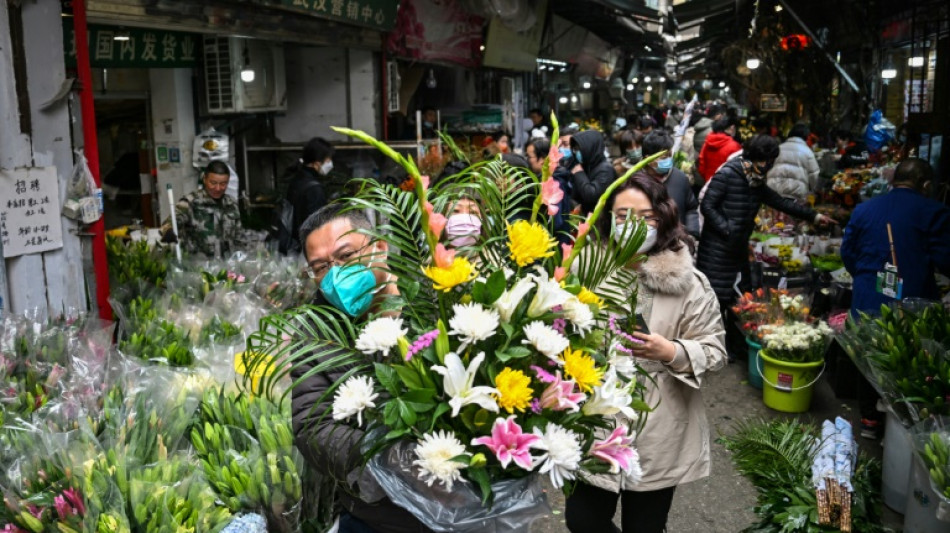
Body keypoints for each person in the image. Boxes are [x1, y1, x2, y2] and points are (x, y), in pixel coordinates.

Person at [565, 174, 726, 533]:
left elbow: (715, 350)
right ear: (609, 219)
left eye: (645, 216)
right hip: (595, 422)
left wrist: (671, 350)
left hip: (660, 427)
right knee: (582, 520)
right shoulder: (584, 270)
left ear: (663, 218)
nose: (632, 225)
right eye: (622, 216)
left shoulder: (688, 283)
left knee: (646, 526)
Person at [290, 203, 430, 533]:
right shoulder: (318, 330)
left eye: (346, 256)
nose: (336, 274)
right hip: (375, 514)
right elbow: (312, 424)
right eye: (321, 267)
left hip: (461, 507)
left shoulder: (432, 300)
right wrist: (387, 459)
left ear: (380, 246)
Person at [697, 135, 836, 360]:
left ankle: (736, 347)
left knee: (740, 298)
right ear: (753, 158)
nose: (768, 166)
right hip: (718, 249)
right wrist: (727, 229)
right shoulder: (728, 174)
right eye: (766, 161)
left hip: (738, 247)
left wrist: (814, 216)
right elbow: (707, 206)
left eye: (771, 160)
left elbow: (778, 201)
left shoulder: (755, 180)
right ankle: (715, 348)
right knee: (716, 299)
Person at [841, 158, 950, 438]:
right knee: (906, 363)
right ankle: (902, 426)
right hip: (912, 304)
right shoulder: (934, 211)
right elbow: (944, 259)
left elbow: (848, 254)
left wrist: (866, 279)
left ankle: (869, 421)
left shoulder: (864, 209)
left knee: (868, 357)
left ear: (892, 180)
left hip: (867, 299)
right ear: (926, 185)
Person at [163, 160, 242, 258]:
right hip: (197, 267)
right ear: (205, 179)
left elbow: (239, 237)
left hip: (226, 266)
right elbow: (170, 223)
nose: (218, 188)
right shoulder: (190, 202)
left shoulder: (231, 204)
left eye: (223, 184)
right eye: (213, 183)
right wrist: (169, 230)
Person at [641, 131, 700, 238]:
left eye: (670, 155)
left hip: (678, 243)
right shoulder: (636, 182)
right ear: (648, 159)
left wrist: (691, 233)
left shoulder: (680, 178)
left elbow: (691, 208)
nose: (668, 160)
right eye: (663, 157)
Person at [287, 137, 334, 249]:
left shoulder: (297, 179)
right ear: (317, 164)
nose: (331, 164)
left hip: (293, 243)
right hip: (306, 247)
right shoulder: (314, 189)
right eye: (328, 160)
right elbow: (315, 225)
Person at [565, 130, 617, 213]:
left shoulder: (605, 170)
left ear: (590, 148)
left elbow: (592, 196)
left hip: (602, 219)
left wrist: (579, 174)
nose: (576, 152)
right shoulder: (586, 166)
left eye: (579, 149)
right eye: (574, 149)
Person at [766, 123, 820, 201]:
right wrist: (812, 190)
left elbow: (768, 167)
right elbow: (814, 175)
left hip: (774, 192)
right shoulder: (808, 152)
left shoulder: (779, 148)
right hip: (795, 195)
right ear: (806, 136)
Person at [697, 117, 742, 183]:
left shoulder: (707, 142)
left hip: (708, 182)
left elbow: (701, 164)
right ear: (731, 128)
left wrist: (707, 178)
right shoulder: (734, 146)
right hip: (726, 185)